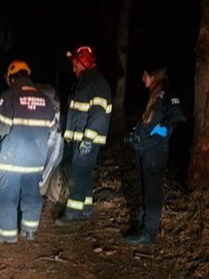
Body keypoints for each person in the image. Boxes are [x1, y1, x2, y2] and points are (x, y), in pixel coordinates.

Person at [0, 60, 57, 244]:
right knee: (32, 194)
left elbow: (0, 128)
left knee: (7, 195)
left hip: (13, 159)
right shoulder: (45, 99)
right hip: (36, 159)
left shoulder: (9, 96)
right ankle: (29, 230)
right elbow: (51, 128)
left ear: (11, 78)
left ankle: (7, 235)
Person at [124, 65, 186, 245]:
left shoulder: (165, 94)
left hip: (155, 153)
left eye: (145, 75)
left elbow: (177, 118)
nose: (143, 79)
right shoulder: (155, 95)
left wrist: (159, 130)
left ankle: (149, 233)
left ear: (152, 76)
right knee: (145, 190)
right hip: (146, 151)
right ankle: (144, 228)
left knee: (152, 193)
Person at [55, 46, 112, 226]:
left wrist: (88, 139)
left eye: (76, 64)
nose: (73, 68)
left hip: (86, 138)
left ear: (84, 63)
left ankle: (73, 212)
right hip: (80, 137)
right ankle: (86, 208)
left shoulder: (97, 84)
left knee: (78, 174)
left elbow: (99, 114)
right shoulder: (85, 82)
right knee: (84, 173)